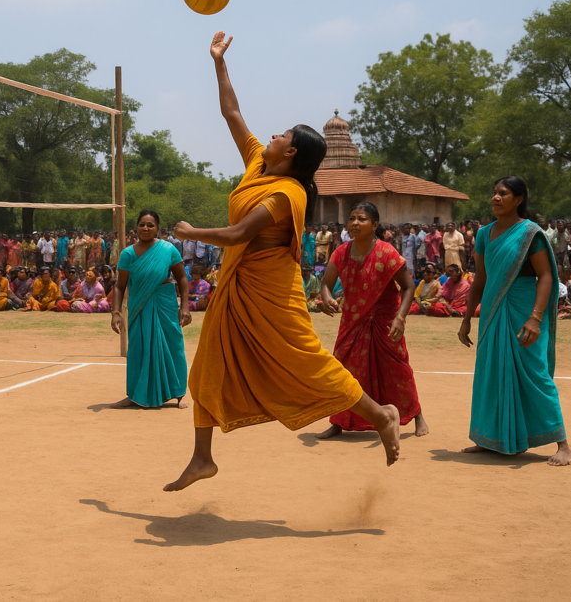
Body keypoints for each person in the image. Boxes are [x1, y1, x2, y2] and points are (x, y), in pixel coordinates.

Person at [163, 31, 402, 492]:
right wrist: (218, 62)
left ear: (290, 152)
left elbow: (238, 235)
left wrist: (192, 234)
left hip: (272, 290)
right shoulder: (259, 165)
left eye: (282, 135)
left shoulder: (288, 192)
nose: (271, 135)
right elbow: (232, 113)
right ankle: (202, 458)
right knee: (206, 366)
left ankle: (380, 415)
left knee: (308, 362)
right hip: (239, 286)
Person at [458, 176, 571, 466]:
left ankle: (563, 444)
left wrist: (535, 318)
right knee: (491, 372)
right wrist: (467, 318)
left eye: (503, 193)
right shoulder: (484, 234)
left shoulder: (530, 233)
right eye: (494, 193)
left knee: (535, 373)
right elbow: (481, 279)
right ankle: (489, 439)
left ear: (518, 199)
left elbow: (545, 276)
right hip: (492, 311)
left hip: (524, 309)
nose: (496, 198)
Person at [315, 202, 428, 440]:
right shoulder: (340, 253)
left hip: (384, 321)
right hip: (352, 320)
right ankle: (338, 421)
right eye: (352, 218)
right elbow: (326, 283)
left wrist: (400, 318)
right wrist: (326, 298)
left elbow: (408, 287)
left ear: (374, 225)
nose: (355, 223)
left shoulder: (387, 253)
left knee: (396, 369)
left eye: (362, 219)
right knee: (344, 369)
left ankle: (416, 414)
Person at [110, 210, 191, 409]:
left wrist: (185, 307)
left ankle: (177, 393)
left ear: (158, 228)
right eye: (142, 224)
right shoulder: (128, 254)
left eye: (150, 225)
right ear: (136, 227)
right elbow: (119, 286)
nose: (145, 228)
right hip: (139, 306)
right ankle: (134, 394)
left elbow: (181, 277)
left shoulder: (168, 249)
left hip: (165, 304)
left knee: (172, 346)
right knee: (138, 349)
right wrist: (116, 313)